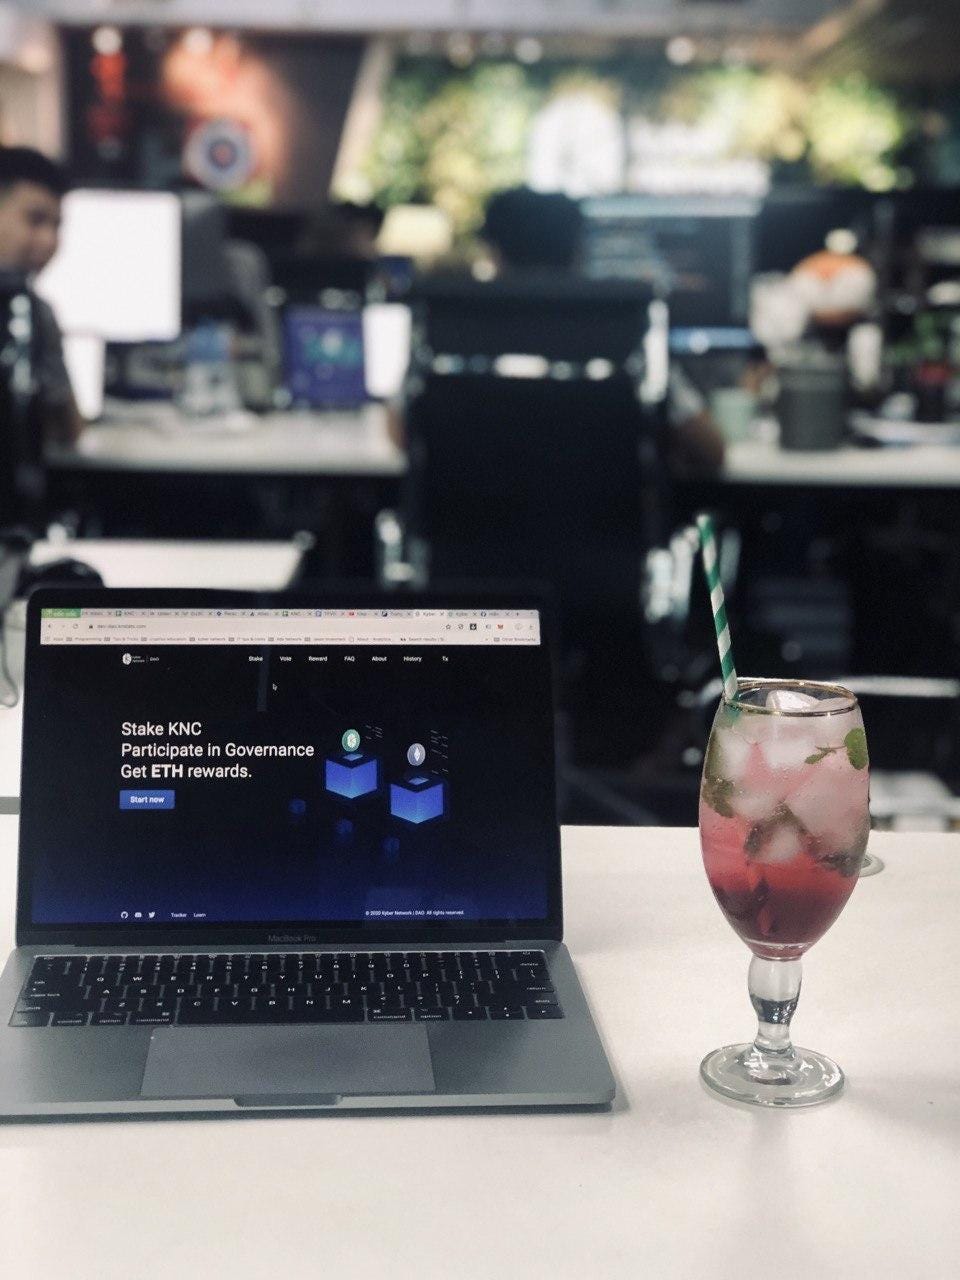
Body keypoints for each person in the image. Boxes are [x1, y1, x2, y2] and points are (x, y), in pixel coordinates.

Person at [480, 186, 725, 474]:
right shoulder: (625, 342)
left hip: (477, 504)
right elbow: (711, 451)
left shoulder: (460, 343)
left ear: (496, 256)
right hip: (604, 503)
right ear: (577, 254)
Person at [0, 146, 84, 446]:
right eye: (35, 220)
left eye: (57, 225)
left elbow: (69, 432)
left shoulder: (35, 311)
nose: (50, 241)